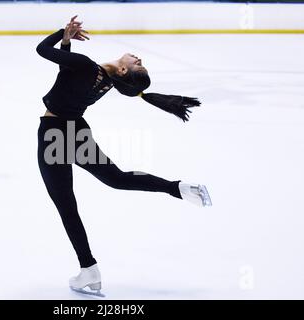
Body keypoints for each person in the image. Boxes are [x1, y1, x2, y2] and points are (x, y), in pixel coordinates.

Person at [36, 16, 212, 295]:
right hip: (74, 132)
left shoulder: (87, 67)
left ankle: (88, 269)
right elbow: (65, 76)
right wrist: (67, 43)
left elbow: (42, 50)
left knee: (67, 206)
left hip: (53, 134)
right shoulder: (104, 82)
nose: (138, 58)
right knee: (116, 178)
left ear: (121, 69)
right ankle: (176, 188)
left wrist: (61, 33)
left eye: (137, 64)